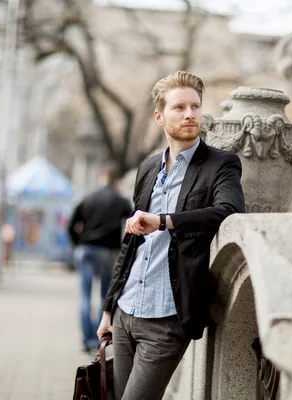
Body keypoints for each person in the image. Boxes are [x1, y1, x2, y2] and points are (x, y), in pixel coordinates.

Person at [96, 71, 246, 400]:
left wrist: (163, 221)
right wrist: (108, 310)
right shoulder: (148, 168)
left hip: (167, 318)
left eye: (195, 106)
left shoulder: (221, 164)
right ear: (160, 116)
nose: (191, 114)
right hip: (126, 312)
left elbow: (230, 211)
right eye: (179, 107)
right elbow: (131, 242)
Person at [68, 166, 132, 353]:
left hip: (85, 249)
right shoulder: (120, 201)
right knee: (105, 297)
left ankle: (86, 340)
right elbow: (132, 224)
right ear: (117, 181)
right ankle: (98, 340)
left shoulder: (88, 197)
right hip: (107, 252)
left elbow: (72, 224)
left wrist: (78, 243)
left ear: (102, 177)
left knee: (84, 297)